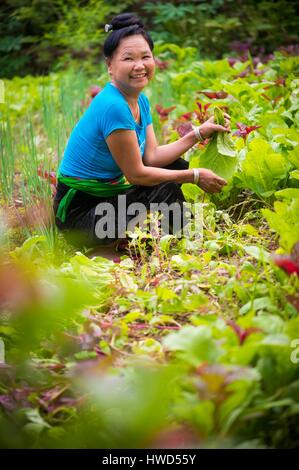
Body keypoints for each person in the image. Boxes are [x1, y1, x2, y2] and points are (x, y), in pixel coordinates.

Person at [53, 13, 230, 249]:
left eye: (146, 56)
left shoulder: (139, 101)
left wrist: (198, 133)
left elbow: (152, 157)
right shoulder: (113, 106)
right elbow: (137, 174)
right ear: (110, 66)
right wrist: (195, 176)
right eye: (128, 58)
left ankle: (174, 236)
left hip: (104, 200)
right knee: (165, 186)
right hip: (81, 216)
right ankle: (182, 242)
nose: (139, 66)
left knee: (175, 166)